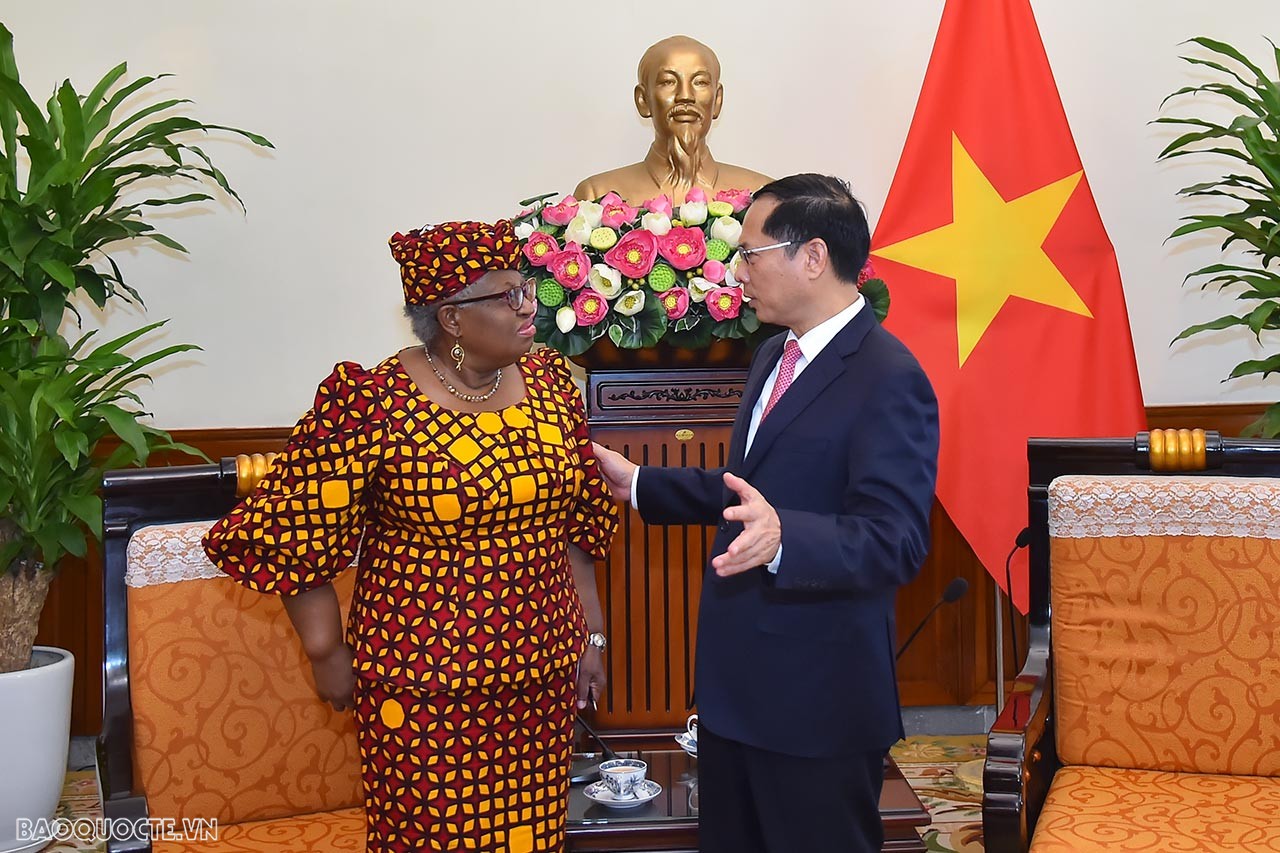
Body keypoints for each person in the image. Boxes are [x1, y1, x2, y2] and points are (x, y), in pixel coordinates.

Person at [203, 219, 619, 853]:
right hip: (420, 680)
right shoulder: (371, 402)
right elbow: (292, 533)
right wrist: (327, 655)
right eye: (509, 295)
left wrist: (589, 636)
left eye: (528, 289)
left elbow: (577, 528)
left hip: (541, 674)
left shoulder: (553, 389)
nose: (529, 307)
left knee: (530, 839)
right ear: (452, 317)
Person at [592, 174, 940, 853]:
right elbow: (749, 491)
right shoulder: (772, 356)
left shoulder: (888, 375)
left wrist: (787, 538)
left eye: (749, 253)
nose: (737, 270)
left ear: (811, 256)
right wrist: (641, 484)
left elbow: (895, 539)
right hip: (737, 692)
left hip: (818, 703)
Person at [574, 35, 770, 205]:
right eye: (668, 82)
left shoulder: (764, 196)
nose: (685, 96)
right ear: (643, 100)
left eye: (700, 82)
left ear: (717, 100)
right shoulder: (596, 196)